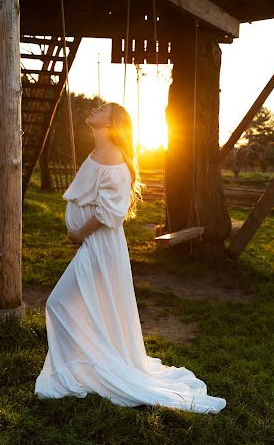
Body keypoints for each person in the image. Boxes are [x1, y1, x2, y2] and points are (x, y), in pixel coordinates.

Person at [35, 102, 227, 414]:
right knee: (87, 305)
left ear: (111, 124)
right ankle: (79, 366)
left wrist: (80, 233)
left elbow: (109, 211)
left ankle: (81, 369)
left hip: (100, 244)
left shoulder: (114, 159)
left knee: (58, 304)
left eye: (102, 109)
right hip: (94, 242)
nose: (95, 108)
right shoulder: (100, 153)